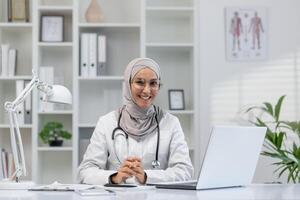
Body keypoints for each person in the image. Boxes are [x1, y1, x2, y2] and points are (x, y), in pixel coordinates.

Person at [77, 58, 194, 185]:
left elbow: (185, 171)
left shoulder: (171, 123)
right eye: (140, 82)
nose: (147, 90)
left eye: (153, 83)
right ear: (128, 84)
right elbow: (85, 171)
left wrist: (147, 176)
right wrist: (114, 177)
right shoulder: (107, 123)